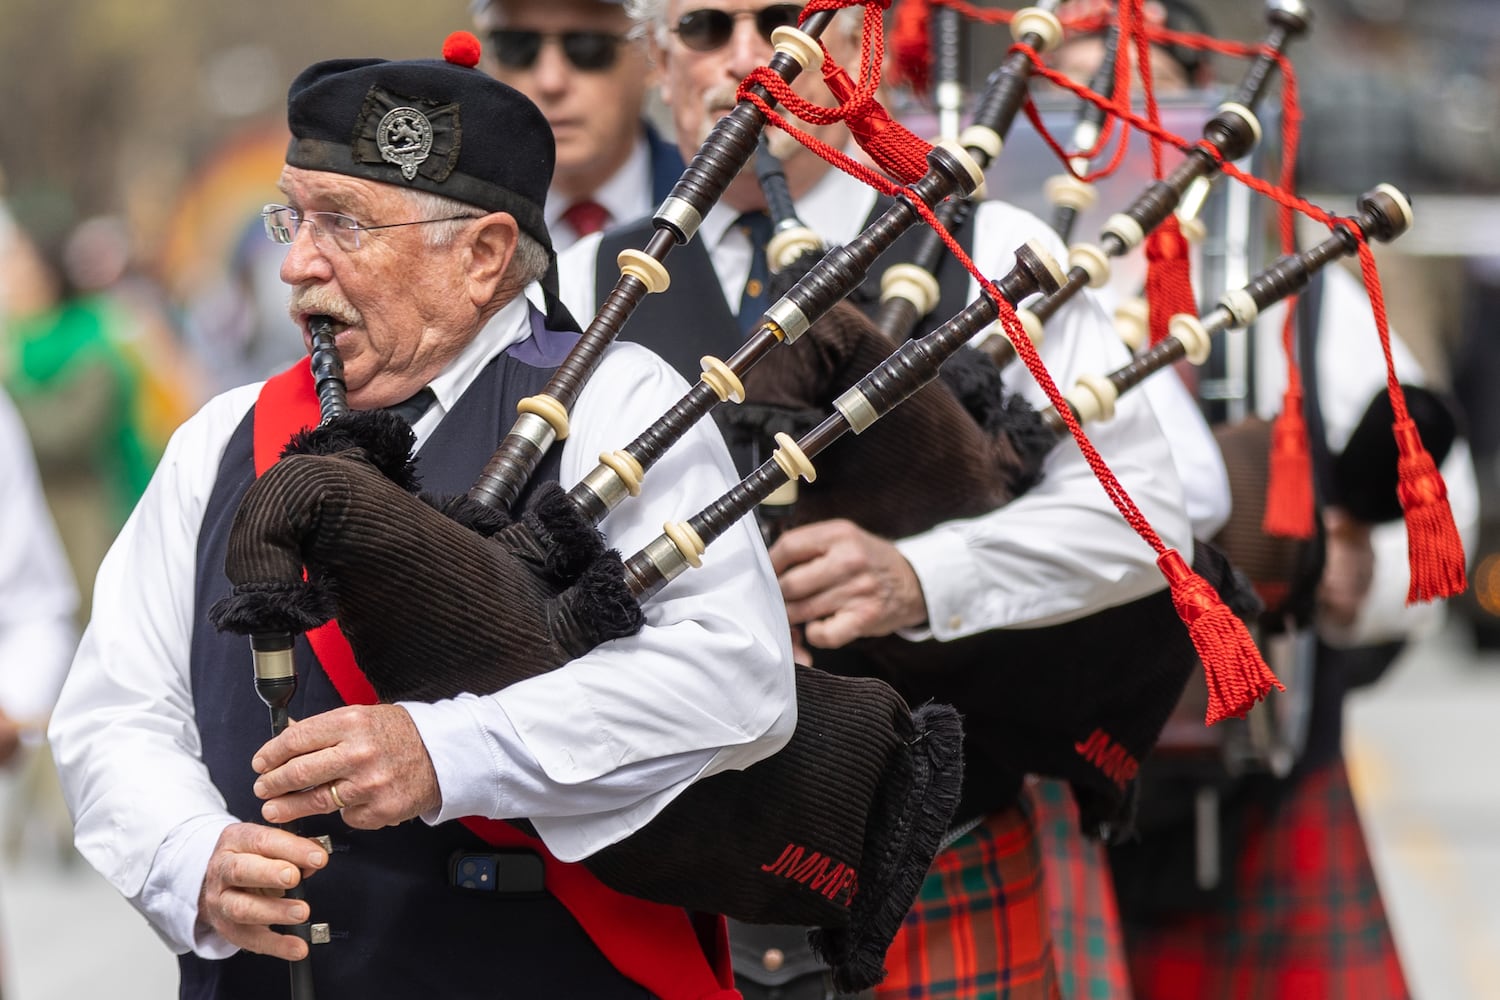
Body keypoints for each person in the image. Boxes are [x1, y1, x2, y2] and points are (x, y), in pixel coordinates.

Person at [47, 38, 795, 997]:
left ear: (483, 255)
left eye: (344, 225)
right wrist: (188, 855)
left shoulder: (619, 406)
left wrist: (445, 752)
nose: (296, 264)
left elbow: (739, 677)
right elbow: (116, 707)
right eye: (293, 218)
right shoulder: (224, 437)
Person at [558, 2, 1215, 996]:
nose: (752, 56)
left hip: (934, 857)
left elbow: (1142, 512)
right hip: (661, 877)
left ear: (860, 46)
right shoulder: (588, 284)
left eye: (790, 18)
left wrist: (921, 575)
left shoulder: (986, 246)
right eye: (704, 27)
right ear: (657, 64)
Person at [472, 0, 686, 249]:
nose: (550, 81)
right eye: (517, 45)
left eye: (587, 46)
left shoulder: (719, 204)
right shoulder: (447, 218)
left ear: (654, 55)